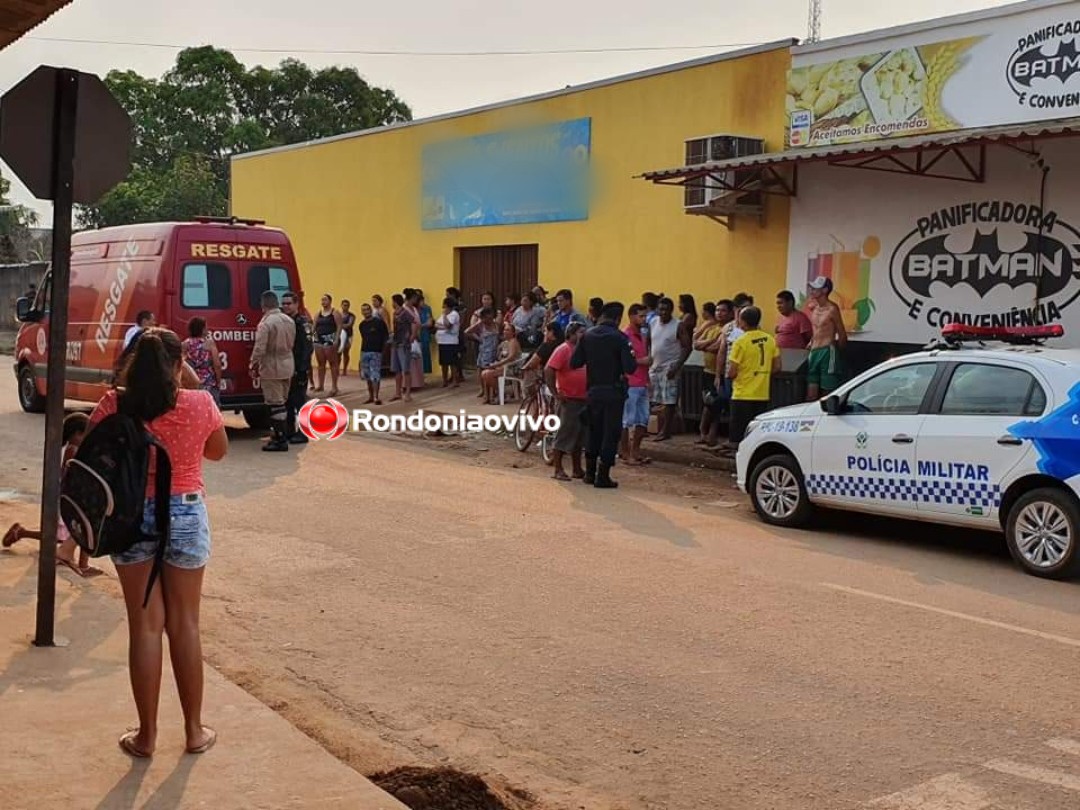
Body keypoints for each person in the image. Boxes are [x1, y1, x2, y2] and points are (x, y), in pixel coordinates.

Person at [88, 327, 228, 759]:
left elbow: (91, 455)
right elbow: (219, 451)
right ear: (178, 363)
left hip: (130, 520)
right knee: (184, 623)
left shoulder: (114, 403)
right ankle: (192, 731)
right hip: (185, 512)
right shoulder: (199, 403)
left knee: (145, 626)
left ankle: (147, 737)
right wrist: (191, 381)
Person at [3, 412, 103, 578]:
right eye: (85, 434)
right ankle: (21, 532)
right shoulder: (73, 449)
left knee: (75, 532)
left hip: (73, 495)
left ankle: (22, 532)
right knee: (71, 533)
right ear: (76, 434)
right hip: (69, 496)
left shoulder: (77, 448)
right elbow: (70, 472)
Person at [571, 303, 636, 489]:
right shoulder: (621, 338)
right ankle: (603, 476)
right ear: (618, 318)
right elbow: (630, 367)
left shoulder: (587, 336)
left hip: (593, 391)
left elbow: (575, 362)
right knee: (611, 433)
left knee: (594, 430)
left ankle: (590, 473)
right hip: (614, 392)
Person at [722, 306, 780, 457]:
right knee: (756, 429)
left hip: (742, 393)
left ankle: (737, 454)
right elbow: (777, 367)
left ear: (743, 322)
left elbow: (732, 371)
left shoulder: (740, 342)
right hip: (762, 392)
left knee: (739, 429)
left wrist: (730, 376)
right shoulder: (770, 339)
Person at [250, 291, 296, 453]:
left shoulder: (266, 323)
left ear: (263, 305)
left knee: (275, 404)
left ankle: (279, 438)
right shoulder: (289, 320)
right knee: (282, 402)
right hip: (288, 364)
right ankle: (280, 435)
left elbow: (260, 348)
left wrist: (253, 364)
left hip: (271, 366)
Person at [545, 322, 588, 481]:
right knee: (564, 434)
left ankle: (577, 469)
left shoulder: (584, 351)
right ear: (571, 334)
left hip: (583, 398)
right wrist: (556, 393)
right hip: (568, 399)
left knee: (579, 436)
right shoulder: (563, 349)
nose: (583, 335)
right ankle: (558, 468)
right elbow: (549, 370)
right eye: (580, 332)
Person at [649, 297, 691, 443]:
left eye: (666, 309)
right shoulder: (653, 322)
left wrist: (677, 365)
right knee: (653, 399)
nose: (663, 312)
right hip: (654, 366)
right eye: (661, 309)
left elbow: (687, 346)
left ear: (671, 310)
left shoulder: (678, 325)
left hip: (670, 367)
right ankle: (650, 427)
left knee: (669, 401)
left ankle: (665, 430)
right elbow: (650, 342)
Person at [620, 304, 653, 467]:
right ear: (632, 316)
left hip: (642, 381)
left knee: (643, 418)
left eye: (645, 316)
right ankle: (625, 453)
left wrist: (648, 379)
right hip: (631, 382)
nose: (644, 319)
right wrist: (642, 361)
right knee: (627, 420)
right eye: (641, 316)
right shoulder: (626, 336)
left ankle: (636, 451)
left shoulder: (642, 334)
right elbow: (625, 361)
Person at [806, 277, 848, 400]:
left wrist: (838, 352)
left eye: (816, 288)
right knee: (810, 394)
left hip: (827, 351)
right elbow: (816, 329)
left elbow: (842, 333)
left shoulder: (832, 309)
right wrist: (811, 342)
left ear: (824, 290)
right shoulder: (813, 307)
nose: (812, 291)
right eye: (812, 288)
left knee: (827, 392)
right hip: (813, 351)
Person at [282, 292, 313, 444]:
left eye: (289, 303)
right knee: (287, 402)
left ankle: (303, 432)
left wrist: (302, 369)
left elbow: (307, 347)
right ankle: (289, 430)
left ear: (296, 304)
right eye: (284, 303)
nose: (286, 306)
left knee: (299, 402)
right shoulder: (285, 321)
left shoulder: (302, 322)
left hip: (299, 368)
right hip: (287, 367)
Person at [182, 318, 224, 408]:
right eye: (206, 327)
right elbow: (217, 364)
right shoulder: (209, 344)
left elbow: (182, 365)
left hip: (191, 384)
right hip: (208, 383)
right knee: (212, 409)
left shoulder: (184, 344)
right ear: (201, 329)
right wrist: (218, 381)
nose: (207, 329)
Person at [479, 322, 522, 405]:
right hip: (503, 367)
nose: (505, 332)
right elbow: (499, 357)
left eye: (508, 330)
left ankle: (502, 393)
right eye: (505, 330)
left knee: (487, 374)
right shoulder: (505, 343)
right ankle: (489, 396)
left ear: (513, 332)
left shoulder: (513, 342)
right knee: (485, 372)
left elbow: (511, 357)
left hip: (511, 368)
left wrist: (497, 365)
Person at [465, 308, 501, 401]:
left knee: (491, 374)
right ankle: (486, 395)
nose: (489, 320)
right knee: (484, 374)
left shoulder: (496, 325)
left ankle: (493, 393)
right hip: (485, 353)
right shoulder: (481, 326)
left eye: (490, 317)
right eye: (486, 318)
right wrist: (478, 338)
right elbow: (467, 332)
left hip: (495, 352)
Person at [358, 302, 390, 404]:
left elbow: (385, 337)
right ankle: (370, 396)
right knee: (367, 376)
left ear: (371, 310)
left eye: (367, 309)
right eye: (363, 310)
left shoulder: (379, 322)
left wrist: (383, 350)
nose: (366, 311)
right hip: (365, 351)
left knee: (375, 375)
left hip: (376, 352)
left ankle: (376, 397)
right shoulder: (362, 325)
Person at [312, 294, 343, 397]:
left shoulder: (335, 313)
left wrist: (336, 339)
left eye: (325, 299)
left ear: (330, 301)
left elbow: (339, 327)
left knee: (333, 363)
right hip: (319, 339)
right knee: (321, 363)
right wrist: (312, 338)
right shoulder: (318, 314)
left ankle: (334, 386)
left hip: (330, 338)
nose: (323, 301)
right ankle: (320, 385)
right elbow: (314, 326)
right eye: (322, 300)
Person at [390, 294, 418, 403]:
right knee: (397, 370)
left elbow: (415, 323)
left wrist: (412, 337)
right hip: (396, 343)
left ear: (395, 302)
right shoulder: (394, 313)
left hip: (404, 344)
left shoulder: (405, 313)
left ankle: (407, 393)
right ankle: (397, 392)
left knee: (406, 370)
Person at [434, 297, 461, 388]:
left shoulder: (454, 314)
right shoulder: (443, 314)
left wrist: (445, 317)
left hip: (451, 342)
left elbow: (448, 325)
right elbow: (436, 324)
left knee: (452, 362)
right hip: (442, 341)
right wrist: (443, 326)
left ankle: (455, 380)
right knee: (443, 362)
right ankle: (444, 380)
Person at [416, 292, 434, 376]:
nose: (423, 303)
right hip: (416, 334)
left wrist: (421, 325)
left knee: (425, 353)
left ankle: (424, 374)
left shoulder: (427, 308)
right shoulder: (413, 310)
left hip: (424, 334)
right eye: (421, 301)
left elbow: (430, 322)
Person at [339, 299, 357, 376]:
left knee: (346, 352)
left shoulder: (351, 315)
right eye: (344, 305)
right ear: (341, 305)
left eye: (347, 305)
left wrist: (339, 326)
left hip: (348, 335)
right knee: (338, 353)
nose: (345, 307)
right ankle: (337, 368)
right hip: (339, 335)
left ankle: (345, 369)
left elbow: (350, 324)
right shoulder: (338, 314)